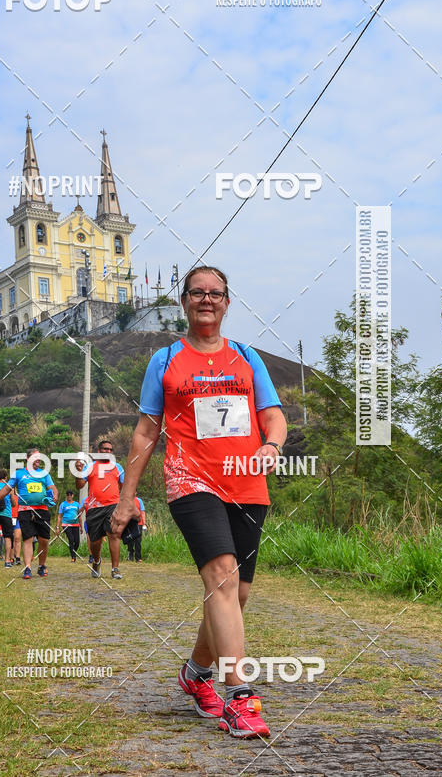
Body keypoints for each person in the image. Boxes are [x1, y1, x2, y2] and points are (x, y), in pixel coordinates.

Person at [111, 266, 287, 738]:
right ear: (184, 301)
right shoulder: (165, 360)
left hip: (247, 484)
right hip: (191, 482)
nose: (206, 300)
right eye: (197, 293)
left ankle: (194, 673)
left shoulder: (247, 357)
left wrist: (271, 446)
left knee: (235, 595)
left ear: (227, 302)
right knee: (223, 578)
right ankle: (241, 698)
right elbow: (147, 432)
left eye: (216, 293)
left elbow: (273, 417)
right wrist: (126, 499)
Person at [0, 448, 58, 580]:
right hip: (25, 510)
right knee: (28, 538)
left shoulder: (44, 474)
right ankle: (27, 567)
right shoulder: (18, 474)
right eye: (35, 457)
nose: (38, 459)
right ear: (28, 458)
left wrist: (54, 495)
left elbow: (53, 488)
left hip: (42, 510)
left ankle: (41, 565)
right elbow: (6, 490)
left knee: (44, 540)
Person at [75, 439, 125, 579]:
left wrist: (123, 502)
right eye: (105, 449)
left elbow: (124, 486)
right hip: (94, 507)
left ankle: (115, 568)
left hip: (113, 506)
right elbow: (80, 485)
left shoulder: (118, 467)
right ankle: (96, 562)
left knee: (114, 535)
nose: (108, 451)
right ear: (99, 451)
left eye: (110, 449)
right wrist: (78, 472)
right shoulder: (90, 467)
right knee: (95, 541)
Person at [56, 490, 81, 561]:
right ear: (66, 496)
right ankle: (73, 557)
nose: (69, 496)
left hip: (76, 524)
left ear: (72, 495)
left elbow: (79, 516)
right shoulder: (63, 504)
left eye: (70, 494)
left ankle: (74, 552)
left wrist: (81, 527)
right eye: (67, 495)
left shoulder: (77, 504)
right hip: (66, 525)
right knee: (71, 539)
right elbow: (59, 516)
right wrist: (57, 527)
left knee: (77, 541)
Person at [124, 497, 145, 562]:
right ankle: (130, 556)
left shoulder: (139, 500)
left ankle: (138, 558)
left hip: (139, 523)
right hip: (129, 523)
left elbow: (142, 512)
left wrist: (144, 523)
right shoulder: (127, 500)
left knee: (138, 540)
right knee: (130, 540)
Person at [10, 489, 22, 565]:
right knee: (10, 539)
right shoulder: (6, 497)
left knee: (17, 538)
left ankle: (18, 558)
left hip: (17, 519)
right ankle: (11, 558)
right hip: (9, 519)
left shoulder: (19, 497)